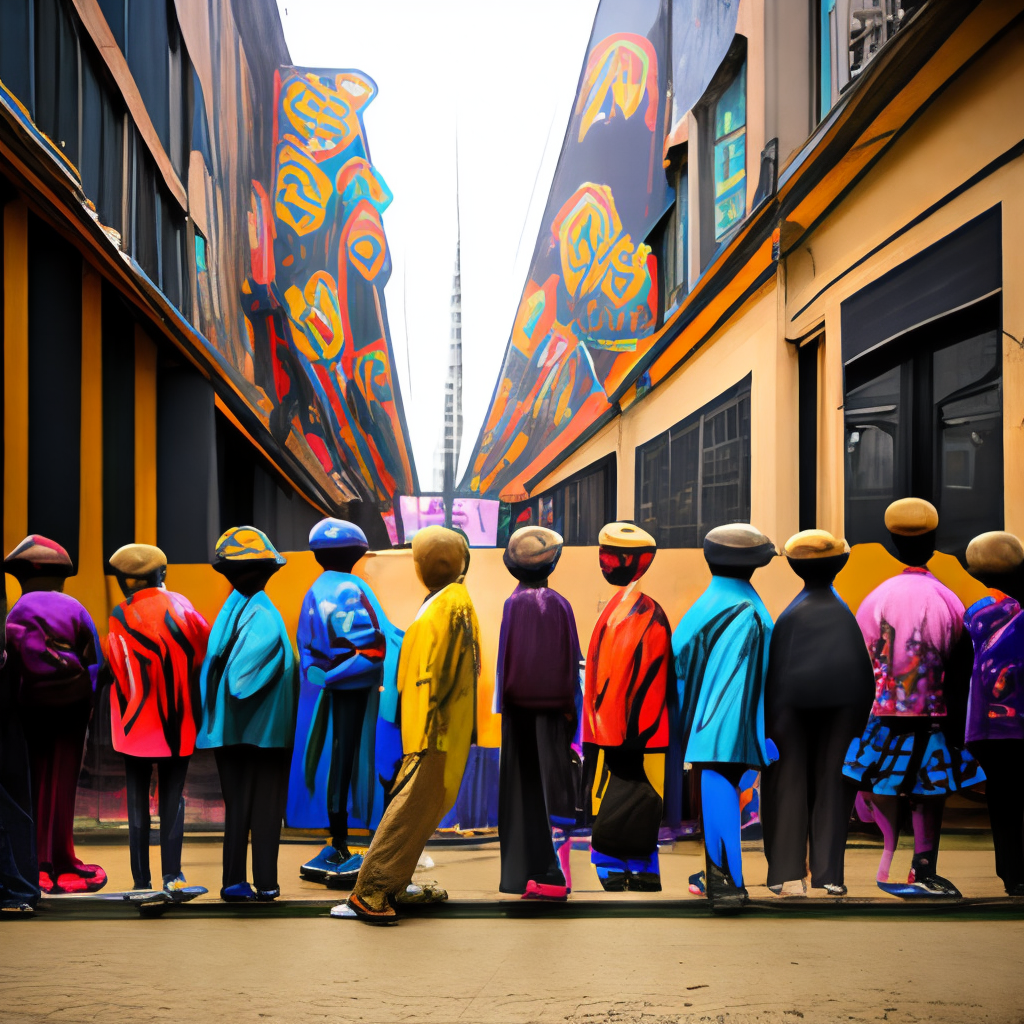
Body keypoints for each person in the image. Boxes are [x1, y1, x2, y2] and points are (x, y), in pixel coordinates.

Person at [337, 526, 479, 924]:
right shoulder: (452, 604)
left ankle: (390, 885)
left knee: (416, 807)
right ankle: (372, 891)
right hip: (435, 732)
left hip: (431, 729)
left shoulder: (442, 604)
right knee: (411, 809)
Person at [843, 498, 983, 898]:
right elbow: (959, 666)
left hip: (882, 711)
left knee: (881, 781)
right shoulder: (949, 599)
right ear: (934, 542)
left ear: (891, 543)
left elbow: (863, 657)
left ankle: (884, 861)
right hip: (932, 713)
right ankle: (923, 868)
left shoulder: (875, 598)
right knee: (929, 790)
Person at [288, 518, 402, 886]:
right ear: (357, 553)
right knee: (351, 762)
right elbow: (373, 648)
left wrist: (321, 676)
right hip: (354, 693)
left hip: (328, 692)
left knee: (337, 762)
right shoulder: (352, 588)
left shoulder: (314, 589)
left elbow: (306, 649)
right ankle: (345, 845)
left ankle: (337, 842)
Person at [761, 530, 874, 897]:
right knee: (834, 784)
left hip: (788, 707)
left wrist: (769, 722)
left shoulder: (789, 617)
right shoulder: (844, 616)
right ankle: (829, 875)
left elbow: (773, 675)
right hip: (843, 707)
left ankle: (786, 871)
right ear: (839, 566)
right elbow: (863, 676)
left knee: (787, 782)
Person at [674, 524, 776, 910]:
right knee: (723, 792)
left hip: (708, 729)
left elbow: (680, 658)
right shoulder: (753, 608)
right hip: (735, 728)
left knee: (717, 791)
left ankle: (721, 878)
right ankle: (725, 879)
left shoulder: (706, 605)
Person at [196, 527, 298, 902]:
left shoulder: (230, 607)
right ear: (265, 569)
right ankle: (266, 882)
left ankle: (233, 880)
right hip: (263, 731)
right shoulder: (265, 617)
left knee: (237, 806)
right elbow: (241, 681)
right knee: (267, 808)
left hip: (227, 729)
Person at [107, 544, 211, 894]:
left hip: (134, 725)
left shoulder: (119, 615)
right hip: (177, 722)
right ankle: (172, 875)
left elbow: (116, 666)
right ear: (162, 574)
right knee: (172, 798)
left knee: (137, 800)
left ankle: (141, 880)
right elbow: (203, 653)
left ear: (125, 582)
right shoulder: (182, 606)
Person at [4, 536, 105, 895]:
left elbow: (10, 666)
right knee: (63, 785)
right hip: (72, 714)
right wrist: (87, 703)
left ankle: (35, 860)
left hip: (29, 712)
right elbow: (97, 664)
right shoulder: (76, 608)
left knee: (32, 784)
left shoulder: (16, 612)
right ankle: (61, 857)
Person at [584, 523, 672, 893]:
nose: (603, 562)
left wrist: (613, 727)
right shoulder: (630, 609)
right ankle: (637, 862)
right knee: (632, 785)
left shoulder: (642, 613)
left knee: (629, 785)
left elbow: (639, 676)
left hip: (628, 728)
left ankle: (619, 859)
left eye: (609, 555)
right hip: (625, 726)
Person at [496, 525, 581, 900]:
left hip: (517, 715)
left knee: (520, 792)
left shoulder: (512, 605)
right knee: (553, 793)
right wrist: (570, 717)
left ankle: (517, 873)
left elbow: (504, 665)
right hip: (554, 716)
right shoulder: (560, 605)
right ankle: (553, 871)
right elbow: (572, 665)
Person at [962, 531, 1024, 895]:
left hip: (992, 726)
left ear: (974, 571)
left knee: (1002, 798)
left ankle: (1013, 875)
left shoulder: (977, 613)